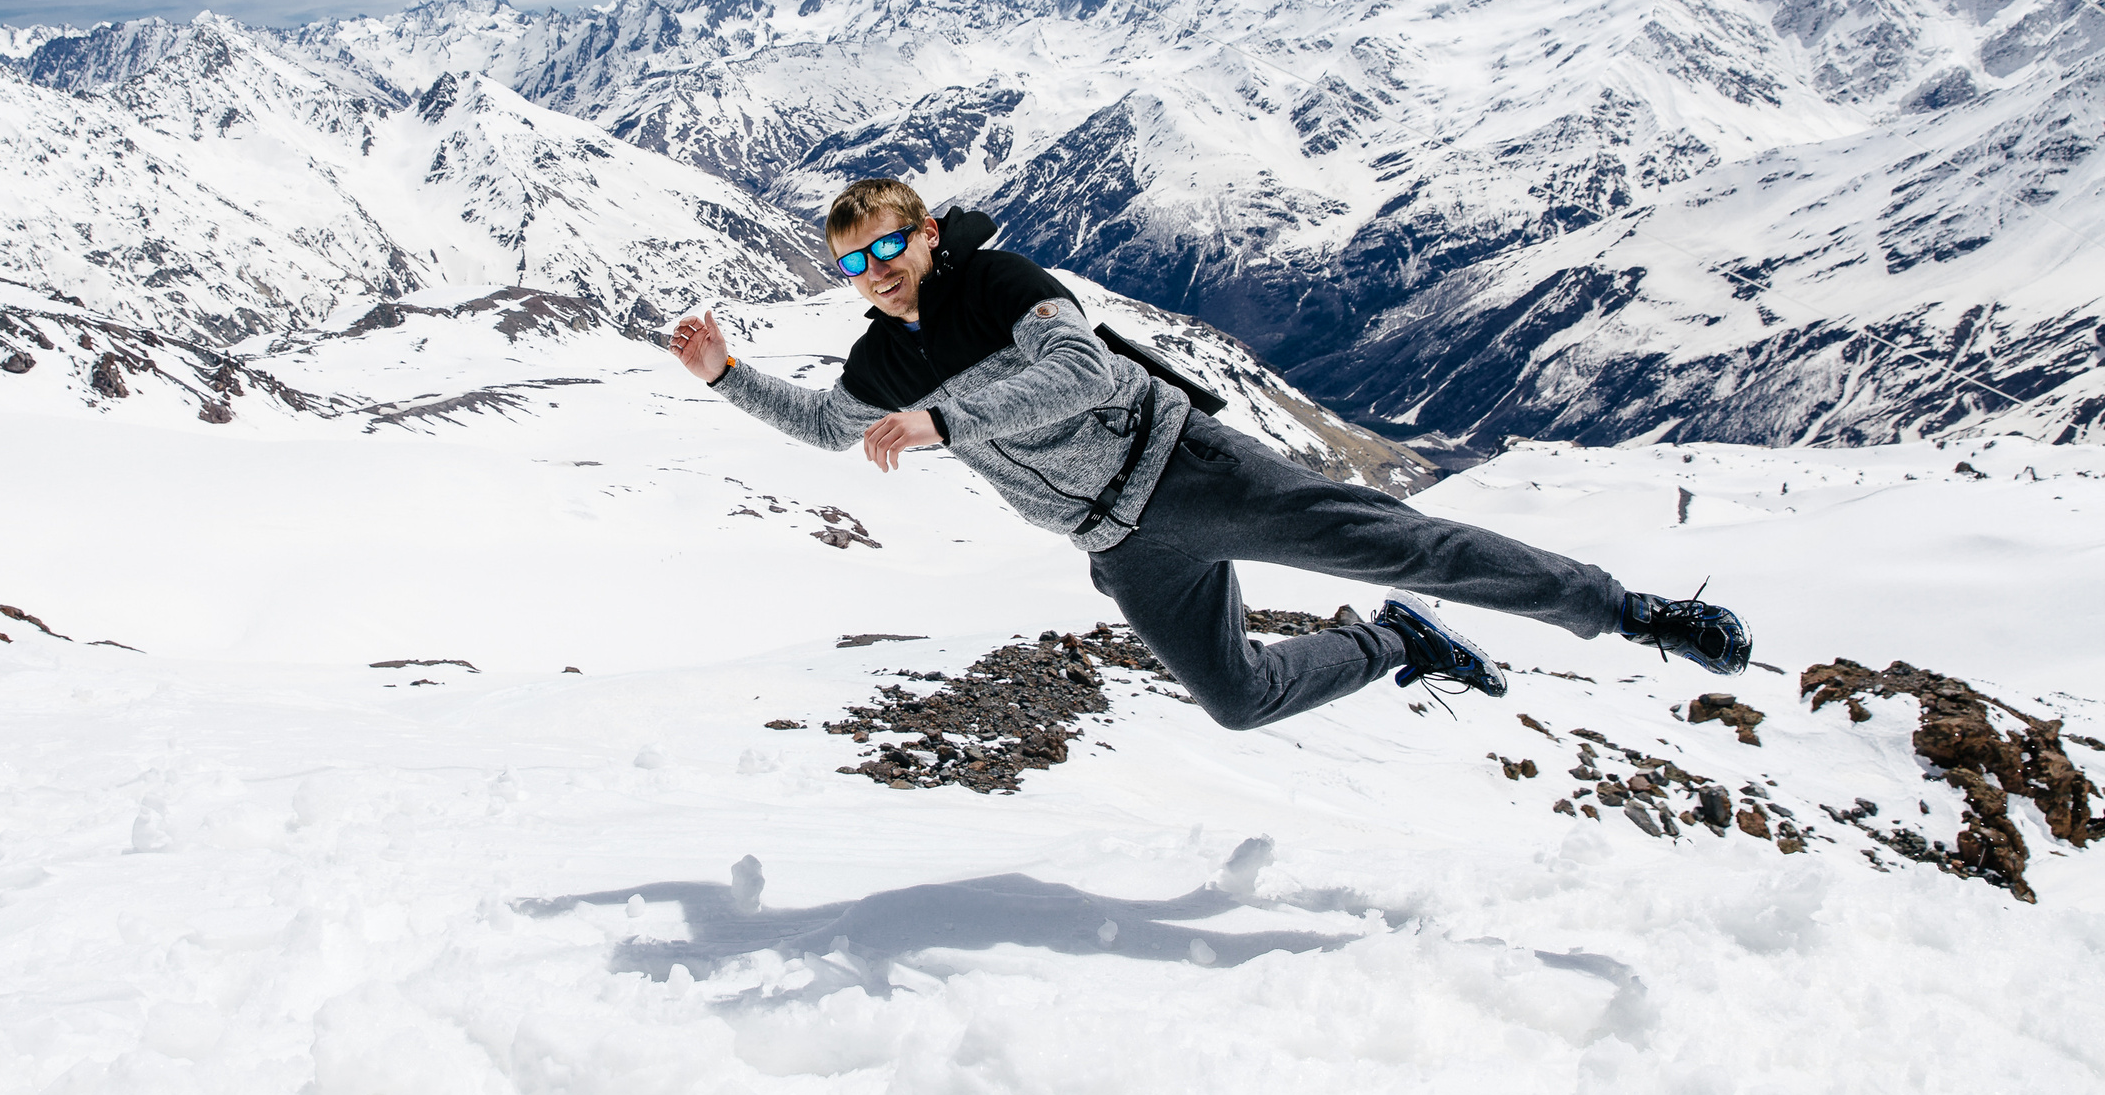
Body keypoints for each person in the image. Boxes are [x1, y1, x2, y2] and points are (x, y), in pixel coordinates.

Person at [666, 176, 1750, 728]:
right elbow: (822, 426)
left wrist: (950, 423)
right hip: (1120, 544)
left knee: (1408, 544)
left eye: (892, 246)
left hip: (1187, 468)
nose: (877, 269)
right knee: (1236, 701)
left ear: (929, 238)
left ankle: (1633, 614)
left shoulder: (996, 285)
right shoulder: (882, 361)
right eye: (855, 261)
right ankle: (1395, 649)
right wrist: (724, 376)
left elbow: (1084, 375)